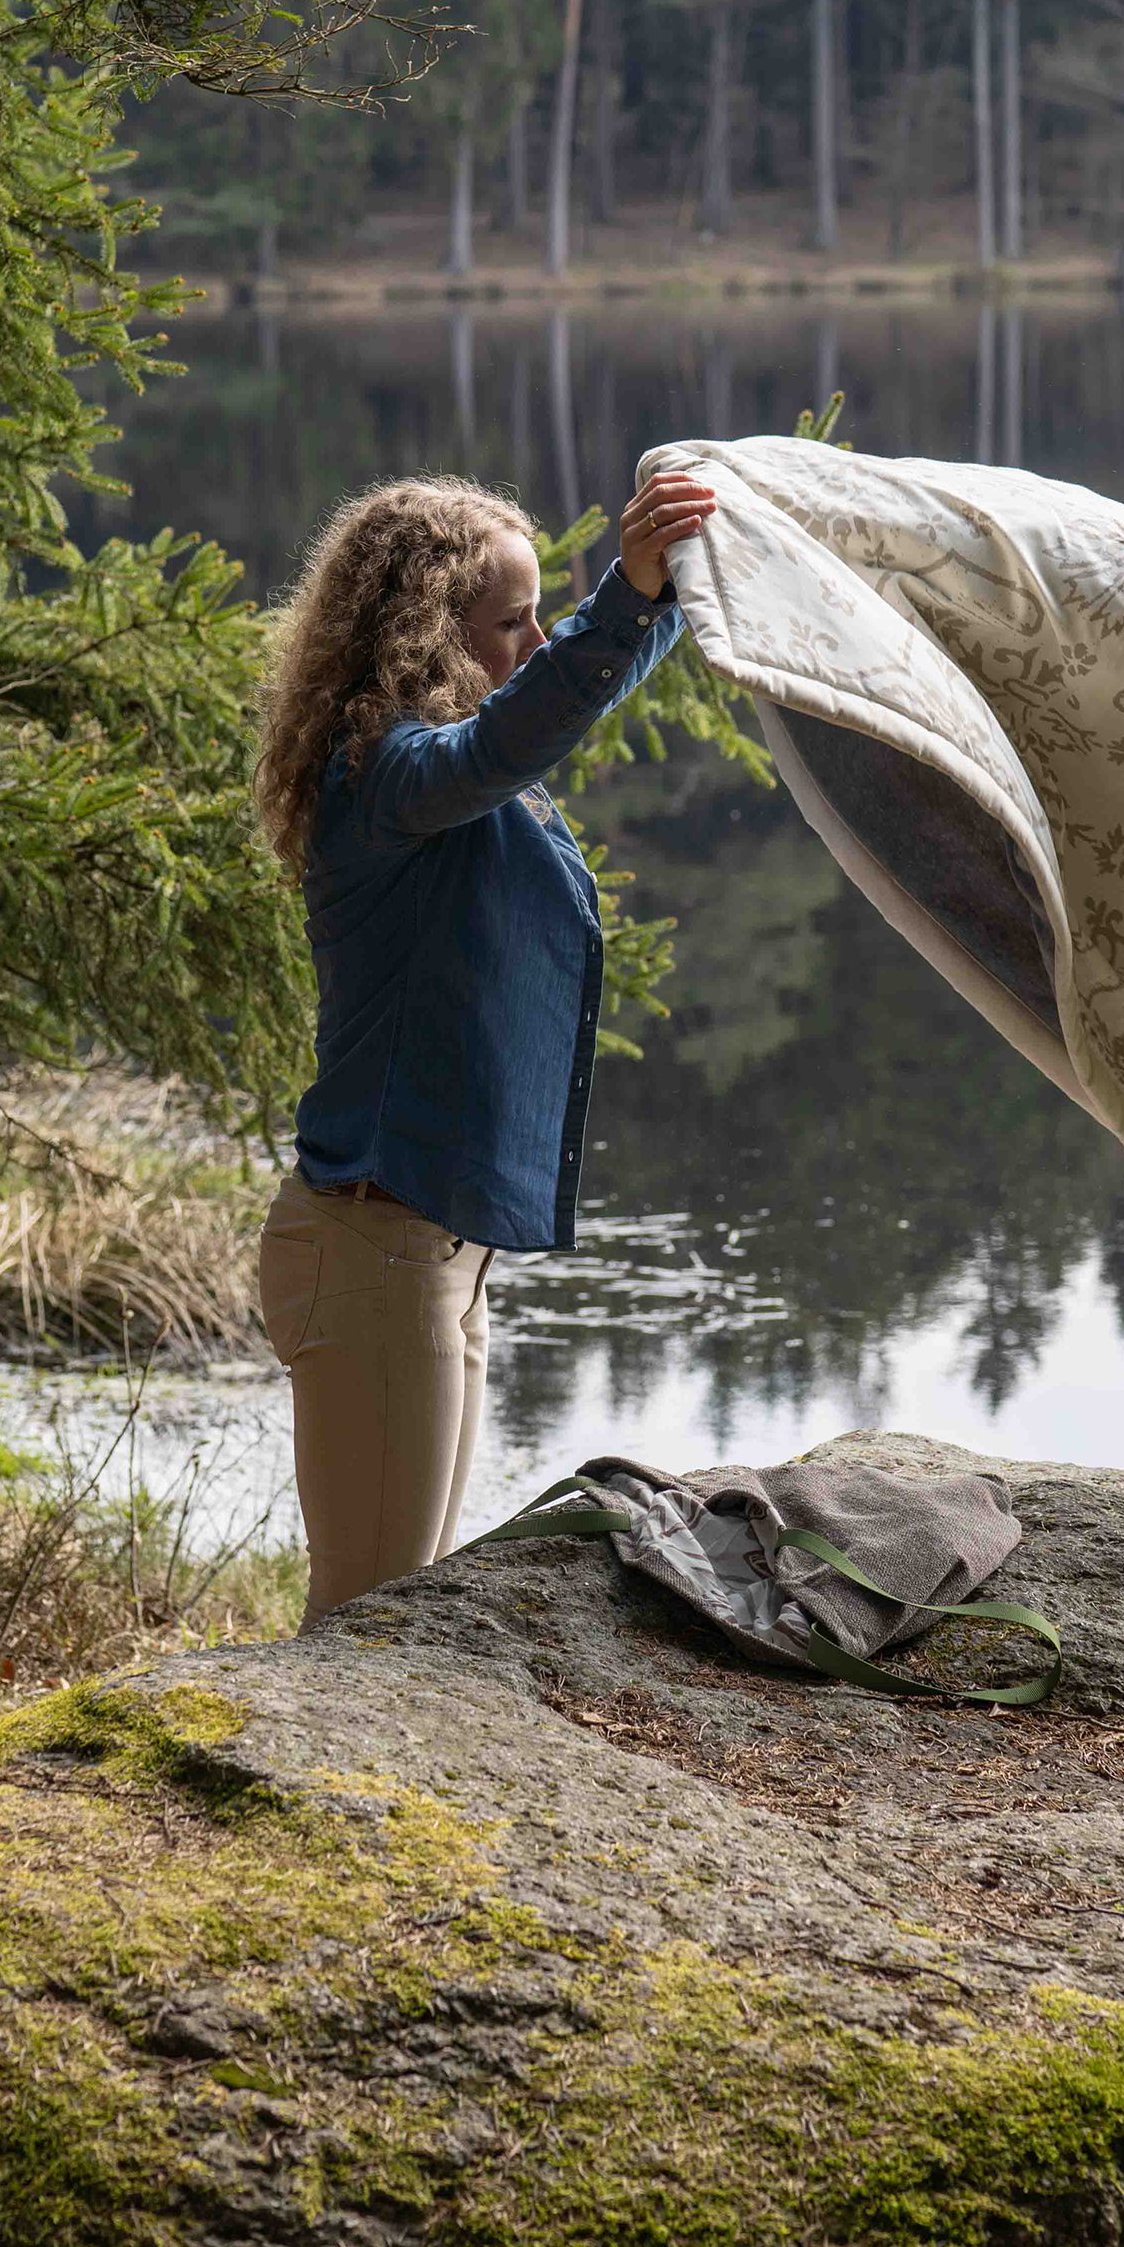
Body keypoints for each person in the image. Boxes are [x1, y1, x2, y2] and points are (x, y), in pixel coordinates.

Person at [250, 464, 719, 1625]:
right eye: (510, 621)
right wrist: (627, 599)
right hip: (373, 1248)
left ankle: (349, 1801)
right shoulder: (386, 777)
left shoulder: (439, 775)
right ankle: (298, 1800)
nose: (535, 639)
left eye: (535, 617)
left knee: (402, 1606)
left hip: (433, 1251)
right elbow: (518, 730)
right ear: (429, 638)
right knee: (368, 1615)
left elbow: (554, 698)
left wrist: (656, 598)